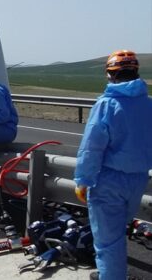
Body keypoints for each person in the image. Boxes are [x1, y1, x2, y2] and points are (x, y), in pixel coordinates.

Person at [73, 49, 152, 280]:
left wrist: (83, 180)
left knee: (108, 240)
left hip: (109, 181)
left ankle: (111, 276)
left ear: (110, 75)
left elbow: (91, 148)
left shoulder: (106, 105)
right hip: (138, 179)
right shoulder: (148, 105)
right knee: (118, 232)